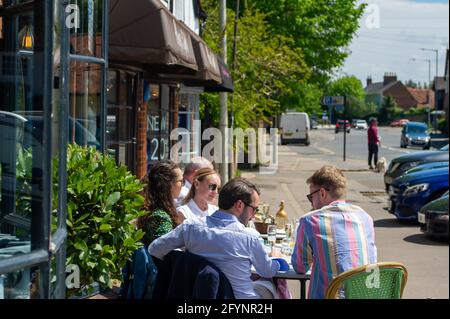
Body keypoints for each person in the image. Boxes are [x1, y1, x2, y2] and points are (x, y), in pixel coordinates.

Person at [149, 178, 284, 299]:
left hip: (197, 295)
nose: (254, 215)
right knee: (271, 286)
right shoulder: (249, 236)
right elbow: (266, 271)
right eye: (254, 209)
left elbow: (154, 249)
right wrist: (276, 259)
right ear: (239, 205)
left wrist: (182, 260)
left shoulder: (190, 228)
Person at [292, 166, 377, 299]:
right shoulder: (365, 218)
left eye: (311, 197)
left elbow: (300, 267)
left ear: (322, 193)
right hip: (364, 294)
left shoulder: (310, 220)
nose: (312, 203)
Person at [138, 160, 184, 246]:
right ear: (169, 184)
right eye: (181, 181)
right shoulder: (159, 217)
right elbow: (163, 251)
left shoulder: (158, 210)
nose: (182, 185)